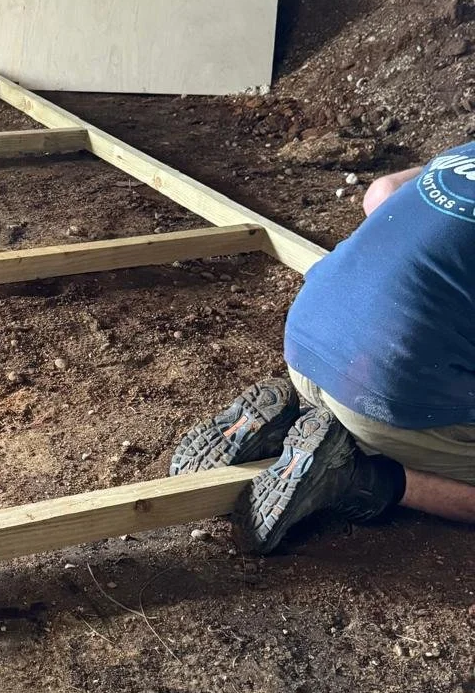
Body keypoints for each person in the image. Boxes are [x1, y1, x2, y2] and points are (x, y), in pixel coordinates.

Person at [171, 146, 475, 554]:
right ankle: (358, 474)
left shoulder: (467, 153)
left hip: (308, 340)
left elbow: (380, 193)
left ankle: (299, 416)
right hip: (381, 396)